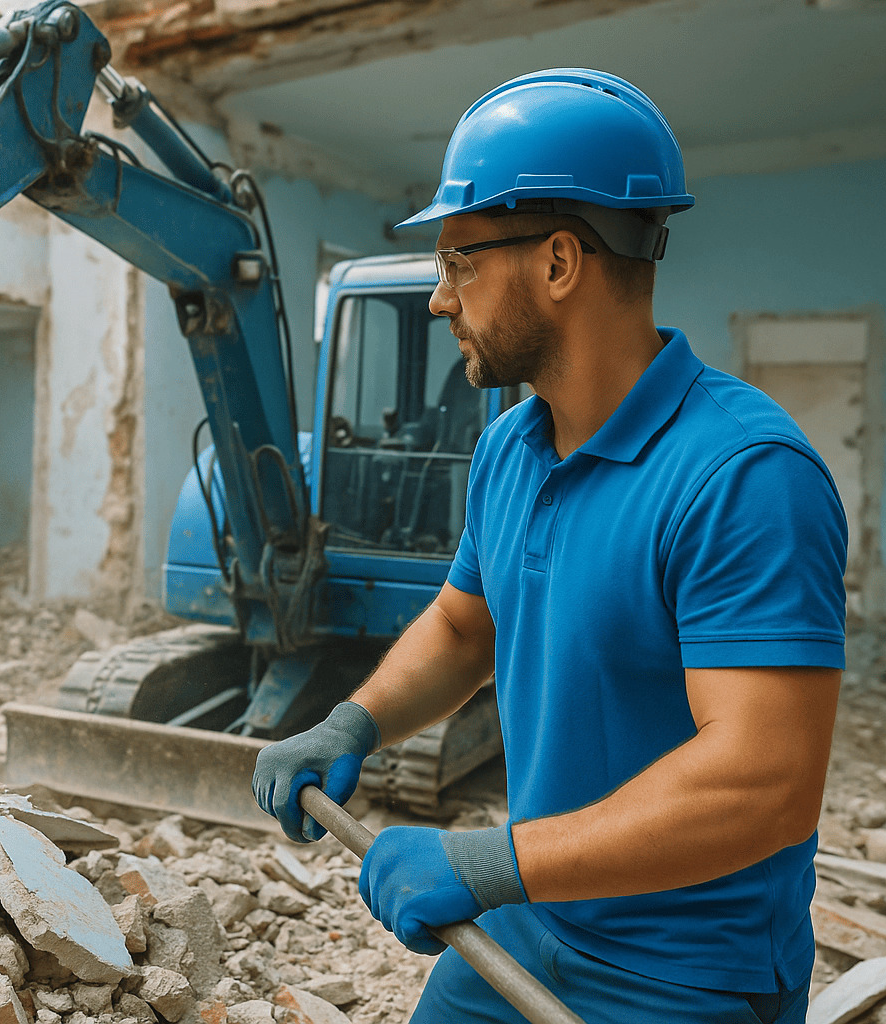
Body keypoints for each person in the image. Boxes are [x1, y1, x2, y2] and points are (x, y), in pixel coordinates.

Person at [252, 69, 846, 1023]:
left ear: (560, 261)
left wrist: (487, 860)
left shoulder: (744, 474)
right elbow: (461, 626)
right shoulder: (510, 445)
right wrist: (349, 724)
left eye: (459, 261)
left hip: (686, 974)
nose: (441, 299)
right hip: (539, 919)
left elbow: (764, 780)